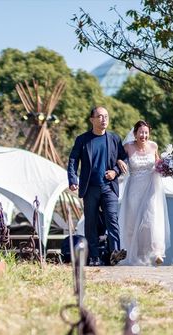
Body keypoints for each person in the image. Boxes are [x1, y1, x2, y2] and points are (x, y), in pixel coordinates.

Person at [68, 106, 129, 266]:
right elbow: (73, 160)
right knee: (91, 223)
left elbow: (124, 158)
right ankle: (94, 256)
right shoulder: (82, 139)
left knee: (112, 219)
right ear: (92, 120)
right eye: (100, 116)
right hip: (90, 188)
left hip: (109, 187)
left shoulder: (114, 138)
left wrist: (115, 171)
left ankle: (115, 252)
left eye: (106, 116)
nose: (104, 119)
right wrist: (73, 179)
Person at [119, 120, 170, 266]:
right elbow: (118, 158)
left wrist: (167, 168)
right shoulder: (128, 147)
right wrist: (119, 161)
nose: (143, 135)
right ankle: (134, 253)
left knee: (151, 220)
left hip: (151, 187)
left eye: (146, 132)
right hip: (134, 189)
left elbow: (158, 163)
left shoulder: (153, 146)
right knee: (133, 221)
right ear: (135, 133)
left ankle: (156, 252)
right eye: (141, 132)